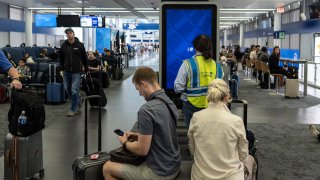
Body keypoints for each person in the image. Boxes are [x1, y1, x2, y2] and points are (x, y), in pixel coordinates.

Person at [103, 67, 181, 180]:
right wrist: (138, 135)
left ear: (143, 84)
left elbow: (142, 150)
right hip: (174, 165)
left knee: (108, 168)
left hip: (160, 172)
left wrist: (124, 142)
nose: (139, 94)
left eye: (138, 89)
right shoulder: (169, 102)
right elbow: (163, 133)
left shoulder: (147, 110)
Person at [188, 78, 249, 180]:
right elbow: (243, 154)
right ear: (227, 96)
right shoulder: (236, 121)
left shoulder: (196, 117)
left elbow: (192, 149)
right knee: (251, 161)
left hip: (200, 176)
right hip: (231, 176)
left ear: (208, 95)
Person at [174, 34, 218, 128]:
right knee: (208, 132)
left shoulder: (187, 64)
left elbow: (178, 88)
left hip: (191, 105)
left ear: (195, 47)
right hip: (211, 105)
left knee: (192, 134)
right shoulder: (217, 66)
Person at [59, 28, 88, 117]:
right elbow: (61, 58)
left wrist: (86, 68)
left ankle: (73, 109)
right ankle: (78, 100)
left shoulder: (80, 45)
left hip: (77, 71)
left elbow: (84, 58)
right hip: (67, 71)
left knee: (74, 90)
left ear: (74, 34)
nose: (69, 35)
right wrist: (62, 68)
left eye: (70, 33)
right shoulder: (63, 46)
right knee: (68, 90)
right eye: (67, 34)